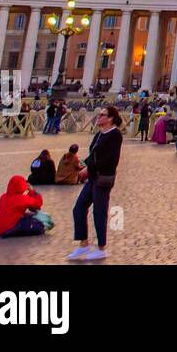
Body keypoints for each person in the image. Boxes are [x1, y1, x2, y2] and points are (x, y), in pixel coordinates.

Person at [68, 105, 123, 261]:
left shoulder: (115, 135)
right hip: (93, 177)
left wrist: (89, 169)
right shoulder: (99, 134)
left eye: (102, 115)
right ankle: (83, 244)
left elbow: (110, 160)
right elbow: (93, 154)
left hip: (103, 179)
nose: (98, 117)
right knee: (78, 208)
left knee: (99, 212)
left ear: (110, 118)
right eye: (99, 114)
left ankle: (101, 248)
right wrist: (83, 165)